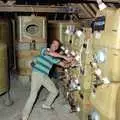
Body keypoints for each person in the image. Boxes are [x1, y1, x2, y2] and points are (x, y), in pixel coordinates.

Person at [20, 39, 72, 120]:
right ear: (51, 44)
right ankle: (24, 116)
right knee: (33, 95)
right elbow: (51, 53)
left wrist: (72, 62)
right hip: (37, 74)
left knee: (55, 91)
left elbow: (63, 65)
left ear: (57, 48)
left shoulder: (54, 58)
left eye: (56, 46)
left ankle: (46, 105)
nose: (54, 46)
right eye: (53, 44)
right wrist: (63, 56)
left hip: (44, 76)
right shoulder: (45, 50)